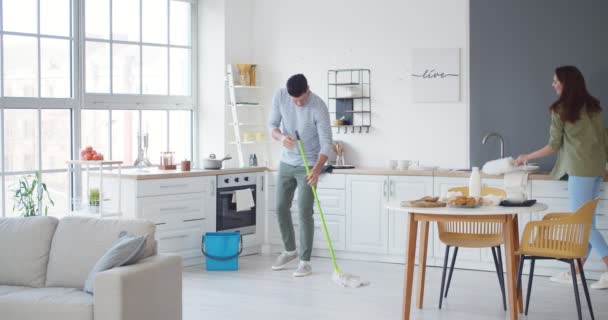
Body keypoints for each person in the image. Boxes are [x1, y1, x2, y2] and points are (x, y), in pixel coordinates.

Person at [514, 65, 608, 289]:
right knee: (588, 222)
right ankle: (576, 270)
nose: (553, 84)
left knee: (582, 223)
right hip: (597, 170)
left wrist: (527, 156)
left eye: (556, 81)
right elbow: (604, 139)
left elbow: (554, 145)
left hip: (579, 170)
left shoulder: (560, 109)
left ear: (567, 83)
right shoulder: (593, 106)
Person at [267, 74, 332, 277]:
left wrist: (316, 169)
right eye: (294, 99)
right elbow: (272, 126)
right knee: (280, 207)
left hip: (309, 163)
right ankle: (290, 250)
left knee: (304, 211)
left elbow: (327, 143)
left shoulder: (318, 107)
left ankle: (305, 261)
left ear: (308, 89)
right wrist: (281, 137)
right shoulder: (280, 96)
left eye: (301, 98)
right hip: (287, 161)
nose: (297, 102)